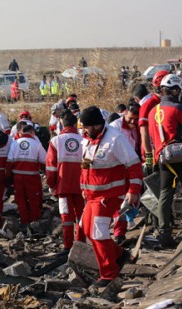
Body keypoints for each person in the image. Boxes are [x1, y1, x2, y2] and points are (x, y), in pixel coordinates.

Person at [80, 106, 140, 287]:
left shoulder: (116, 139)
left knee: (98, 234)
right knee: (88, 231)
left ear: (98, 125)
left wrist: (133, 191)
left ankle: (109, 274)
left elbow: (134, 165)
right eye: (84, 127)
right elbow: (86, 166)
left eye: (89, 127)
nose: (86, 130)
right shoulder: (87, 139)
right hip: (92, 195)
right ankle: (120, 255)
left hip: (108, 196)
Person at [148, 74, 182, 248]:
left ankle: (164, 232)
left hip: (162, 158)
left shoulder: (153, 111)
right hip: (179, 155)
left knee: (165, 194)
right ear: (175, 90)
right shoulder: (177, 108)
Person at [46, 110, 84, 250]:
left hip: (63, 188)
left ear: (62, 124)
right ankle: (81, 244)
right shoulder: (84, 141)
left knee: (66, 218)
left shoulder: (55, 141)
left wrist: (51, 185)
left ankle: (68, 246)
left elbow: (51, 167)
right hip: (82, 187)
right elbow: (87, 164)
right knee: (81, 216)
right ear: (75, 124)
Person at [6, 123, 46, 228]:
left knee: (20, 199)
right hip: (32, 177)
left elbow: (9, 162)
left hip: (17, 177)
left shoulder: (14, 143)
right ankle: (35, 222)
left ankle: (24, 221)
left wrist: (8, 178)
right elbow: (45, 161)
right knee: (33, 199)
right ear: (32, 132)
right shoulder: (36, 144)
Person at [140, 70, 169, 175]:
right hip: (153, 153)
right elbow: (144, 133)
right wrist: (149, 159)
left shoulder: (167, 102)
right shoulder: (148, 105)